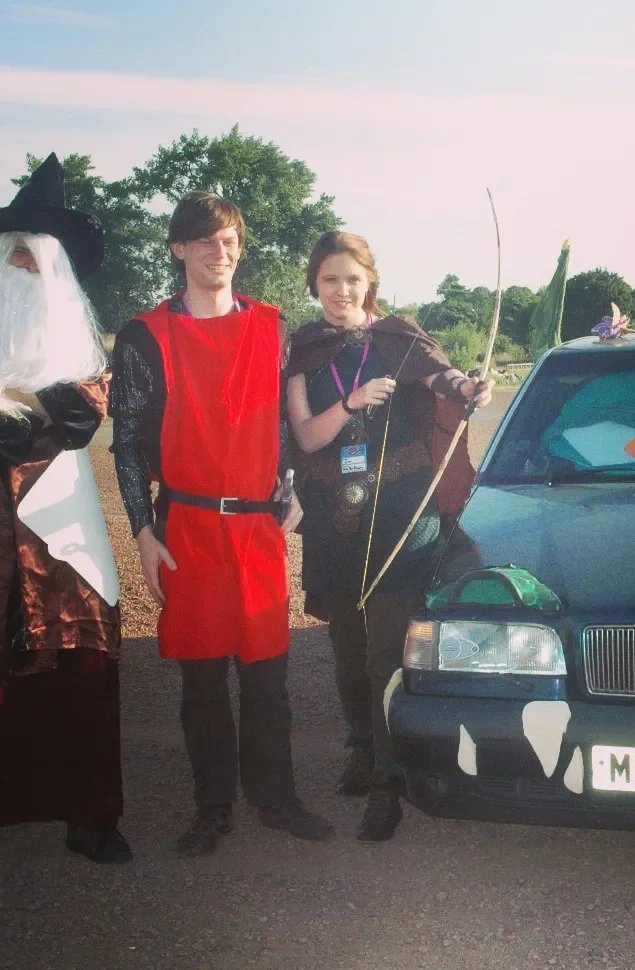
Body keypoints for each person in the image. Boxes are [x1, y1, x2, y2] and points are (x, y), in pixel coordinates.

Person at [110, 191, 333, 857]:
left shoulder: (272, 326)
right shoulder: (145, 334)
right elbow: (125, 442)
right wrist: (143, 531)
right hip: (190, 528)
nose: (221, 252)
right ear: (179, 249)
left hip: (256, 530)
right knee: (203, 682)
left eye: (231, 239)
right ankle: (213, 806)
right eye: (206, 240)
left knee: (269, 677)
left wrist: (289, 483)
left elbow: (282, 422)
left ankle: (276, 796)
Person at [0, 153, 130, 865]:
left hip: (63, 538)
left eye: (41, 264)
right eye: (16, 261)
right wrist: (3, 414)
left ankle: (89, 817)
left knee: (78, 661)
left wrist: (9, 412)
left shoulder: (79, 350)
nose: (28, 275)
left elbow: (78, 414)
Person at [287, 231, 492, 841]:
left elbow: (442, 379)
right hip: (335, 517)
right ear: (315, 284)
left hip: (403, 513)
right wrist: (351, 402)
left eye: (352, 279)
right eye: (329, 280)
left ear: (369, 282)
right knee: (348, 646)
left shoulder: (399, 341)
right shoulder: (304, 349)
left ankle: (387, 780)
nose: (342, 291)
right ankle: (359, 745)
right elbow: (305, 437)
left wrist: (465, 387)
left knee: (385, 651)